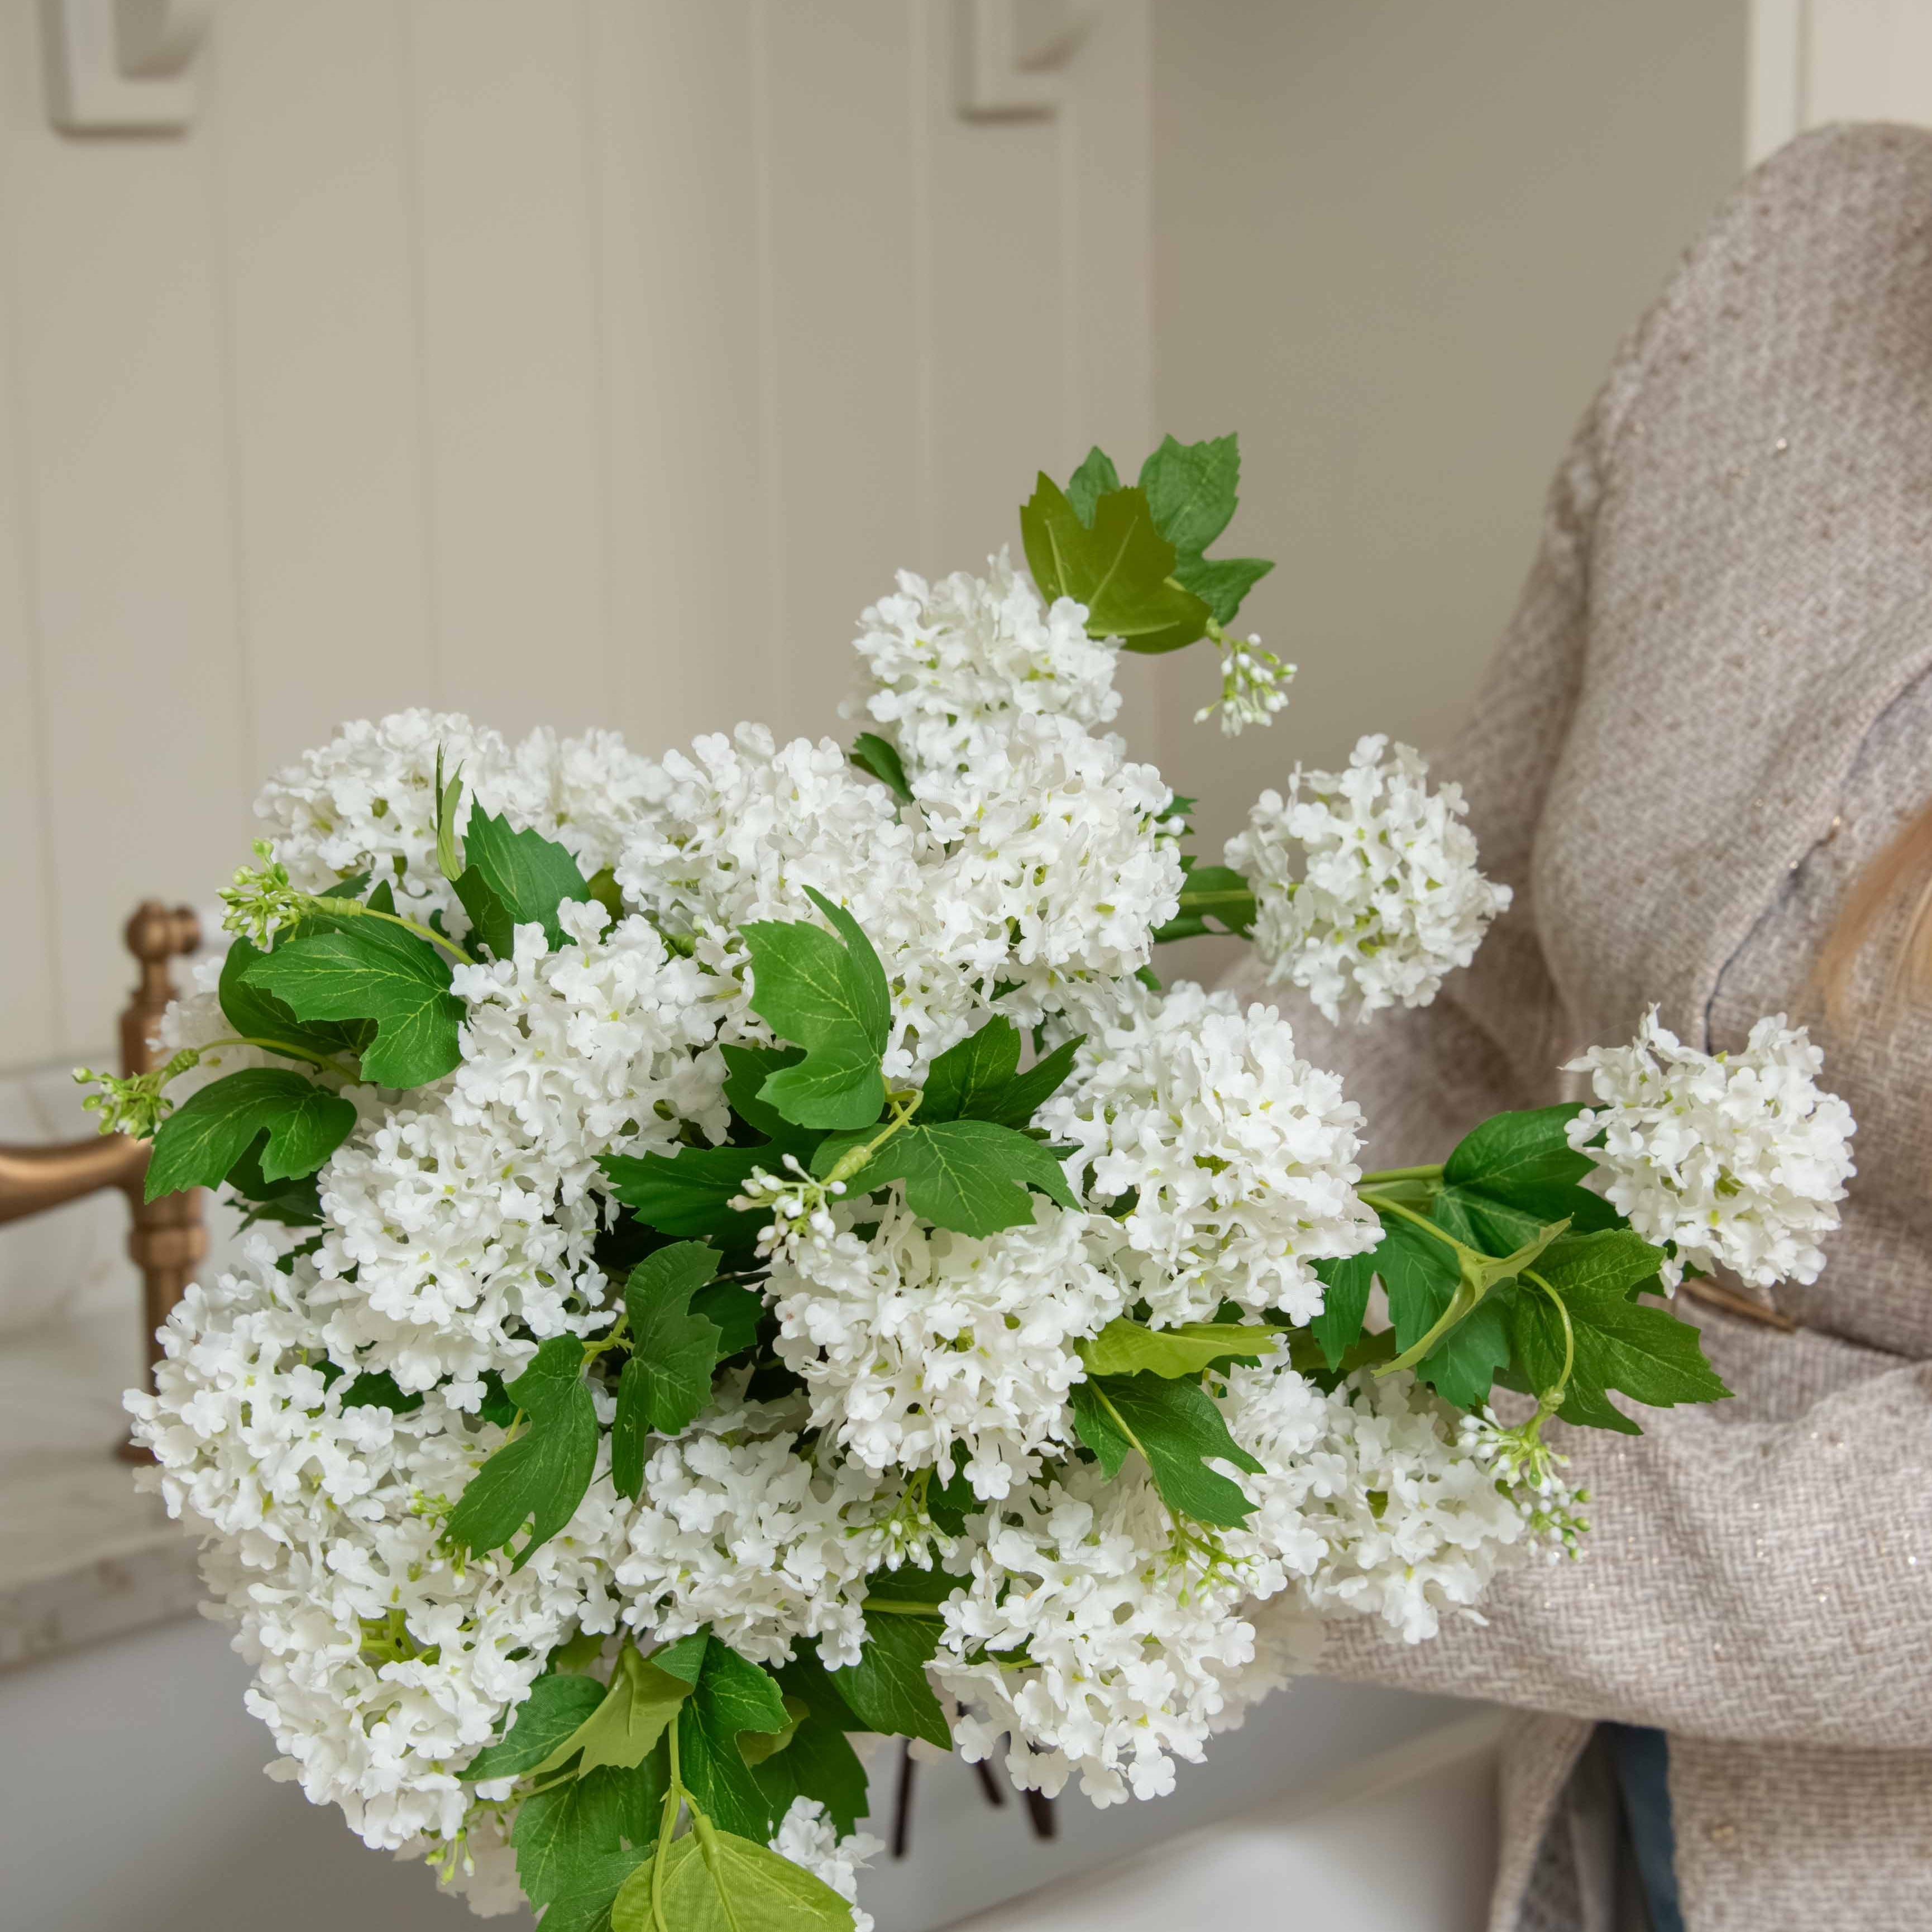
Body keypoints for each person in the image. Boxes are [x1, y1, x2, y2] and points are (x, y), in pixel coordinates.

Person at [1223, 123, 1932, 1931]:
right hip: (1626, 1790)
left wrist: (1260, 1503)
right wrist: (1099, 1228)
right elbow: (1459, 973)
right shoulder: (1807, 249)